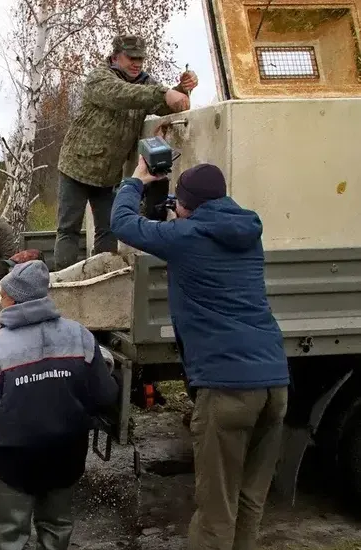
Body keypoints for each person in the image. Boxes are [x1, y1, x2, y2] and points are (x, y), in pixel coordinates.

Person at [110, 159, 290, 550]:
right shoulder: (247, 230)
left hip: (227, 388)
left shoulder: (184, 236)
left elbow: (123, 223)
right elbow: (209, 219)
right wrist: (181, 208)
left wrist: (137, 181)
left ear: (187, 206)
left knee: (215, 510)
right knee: (248, 500)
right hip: (274, 382)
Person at [0, 260, 119, 550]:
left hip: (16, 461)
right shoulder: (80, 336)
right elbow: (104, 395)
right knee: (58, 525)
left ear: (13, 299)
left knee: (12, 533)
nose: (0, 300)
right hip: (67, 452)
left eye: (2, 295)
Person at [53, 34, 198, 271]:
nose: (137, 63)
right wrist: (163, 93)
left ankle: (102, 279)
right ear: (115, 56)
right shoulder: (99, 78)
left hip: (108, 175)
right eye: (131, 58)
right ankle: (61, 282)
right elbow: (122, 94)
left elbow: (163, 104)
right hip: (75, 167)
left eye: (140, 58)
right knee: (68, 228)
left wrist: (182, 89)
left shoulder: (145, 82)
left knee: (109, 229)